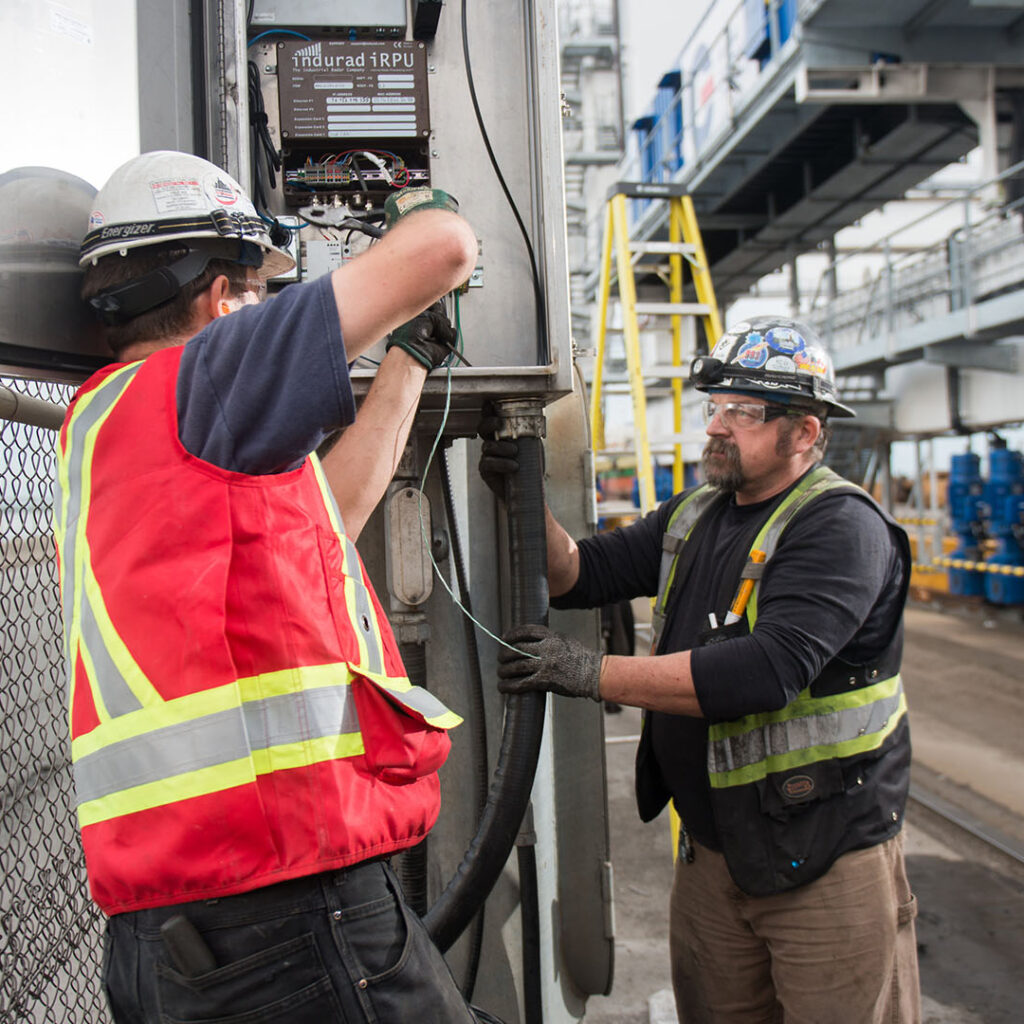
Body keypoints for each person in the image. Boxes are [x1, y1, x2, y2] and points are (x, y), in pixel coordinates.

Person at [54, 150, 481, 1023]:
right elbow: (443, 246)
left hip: (175, 934)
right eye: (257, 291)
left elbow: (335, 510)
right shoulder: (205, 377)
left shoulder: (107, 422)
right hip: (283, 914)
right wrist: (417, 215)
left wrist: (410, 360)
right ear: (221, 300)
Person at [486, 317, 920, 1023]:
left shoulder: (839, 526)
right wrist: (523, 499)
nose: (716, 427)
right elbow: (578, 575)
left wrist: (589, 672)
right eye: (714, 407)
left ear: (804, 432)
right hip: (715, 854)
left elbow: (765, 670)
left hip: (826, 858)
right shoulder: (696, 514)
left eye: (742, 413)